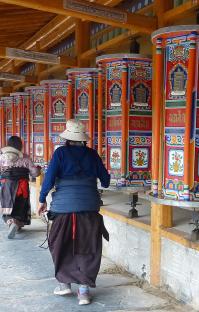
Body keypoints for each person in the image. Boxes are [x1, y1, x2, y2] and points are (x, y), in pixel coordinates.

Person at [37, 119, 110, 306]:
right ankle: (84, 292)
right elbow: (106, 181)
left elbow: (49, 179)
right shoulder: (92, 154)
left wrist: (42, 199)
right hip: (89, 207)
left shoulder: (60, 153)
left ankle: (65, 284)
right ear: (83, 139)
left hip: (62, 209)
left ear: (67, 138)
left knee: (60, 244)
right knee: (88, 246)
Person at [0, 136, 40, 239]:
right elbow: (35, 174)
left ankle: (11, 222)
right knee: (20, 206)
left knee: (7, 206)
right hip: (22, 187)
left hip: (7, 186)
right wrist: (38, 170)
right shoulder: (25, 158)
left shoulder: (2, 157)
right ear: (20, 146)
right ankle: (16, 223)